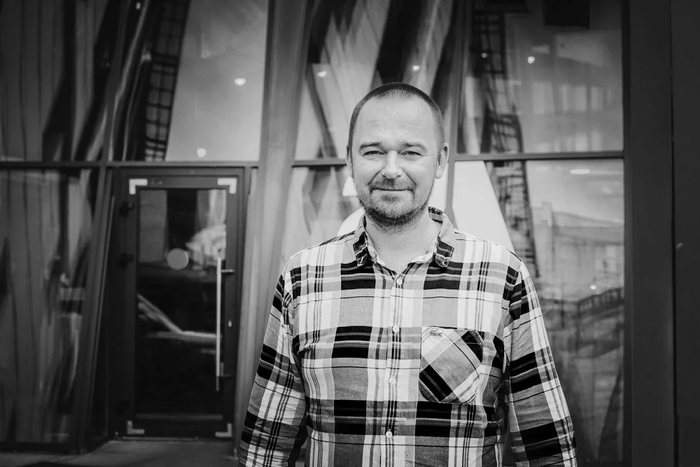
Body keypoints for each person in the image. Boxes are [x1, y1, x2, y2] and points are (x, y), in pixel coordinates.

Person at [239, 82, 577, 466]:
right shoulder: (302, 277)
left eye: (411, 152)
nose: (391, 169)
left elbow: (545, 441)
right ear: (350, 160)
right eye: (373, 151)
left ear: (440, 161)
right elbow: (268, 443)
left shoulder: (502, 276)